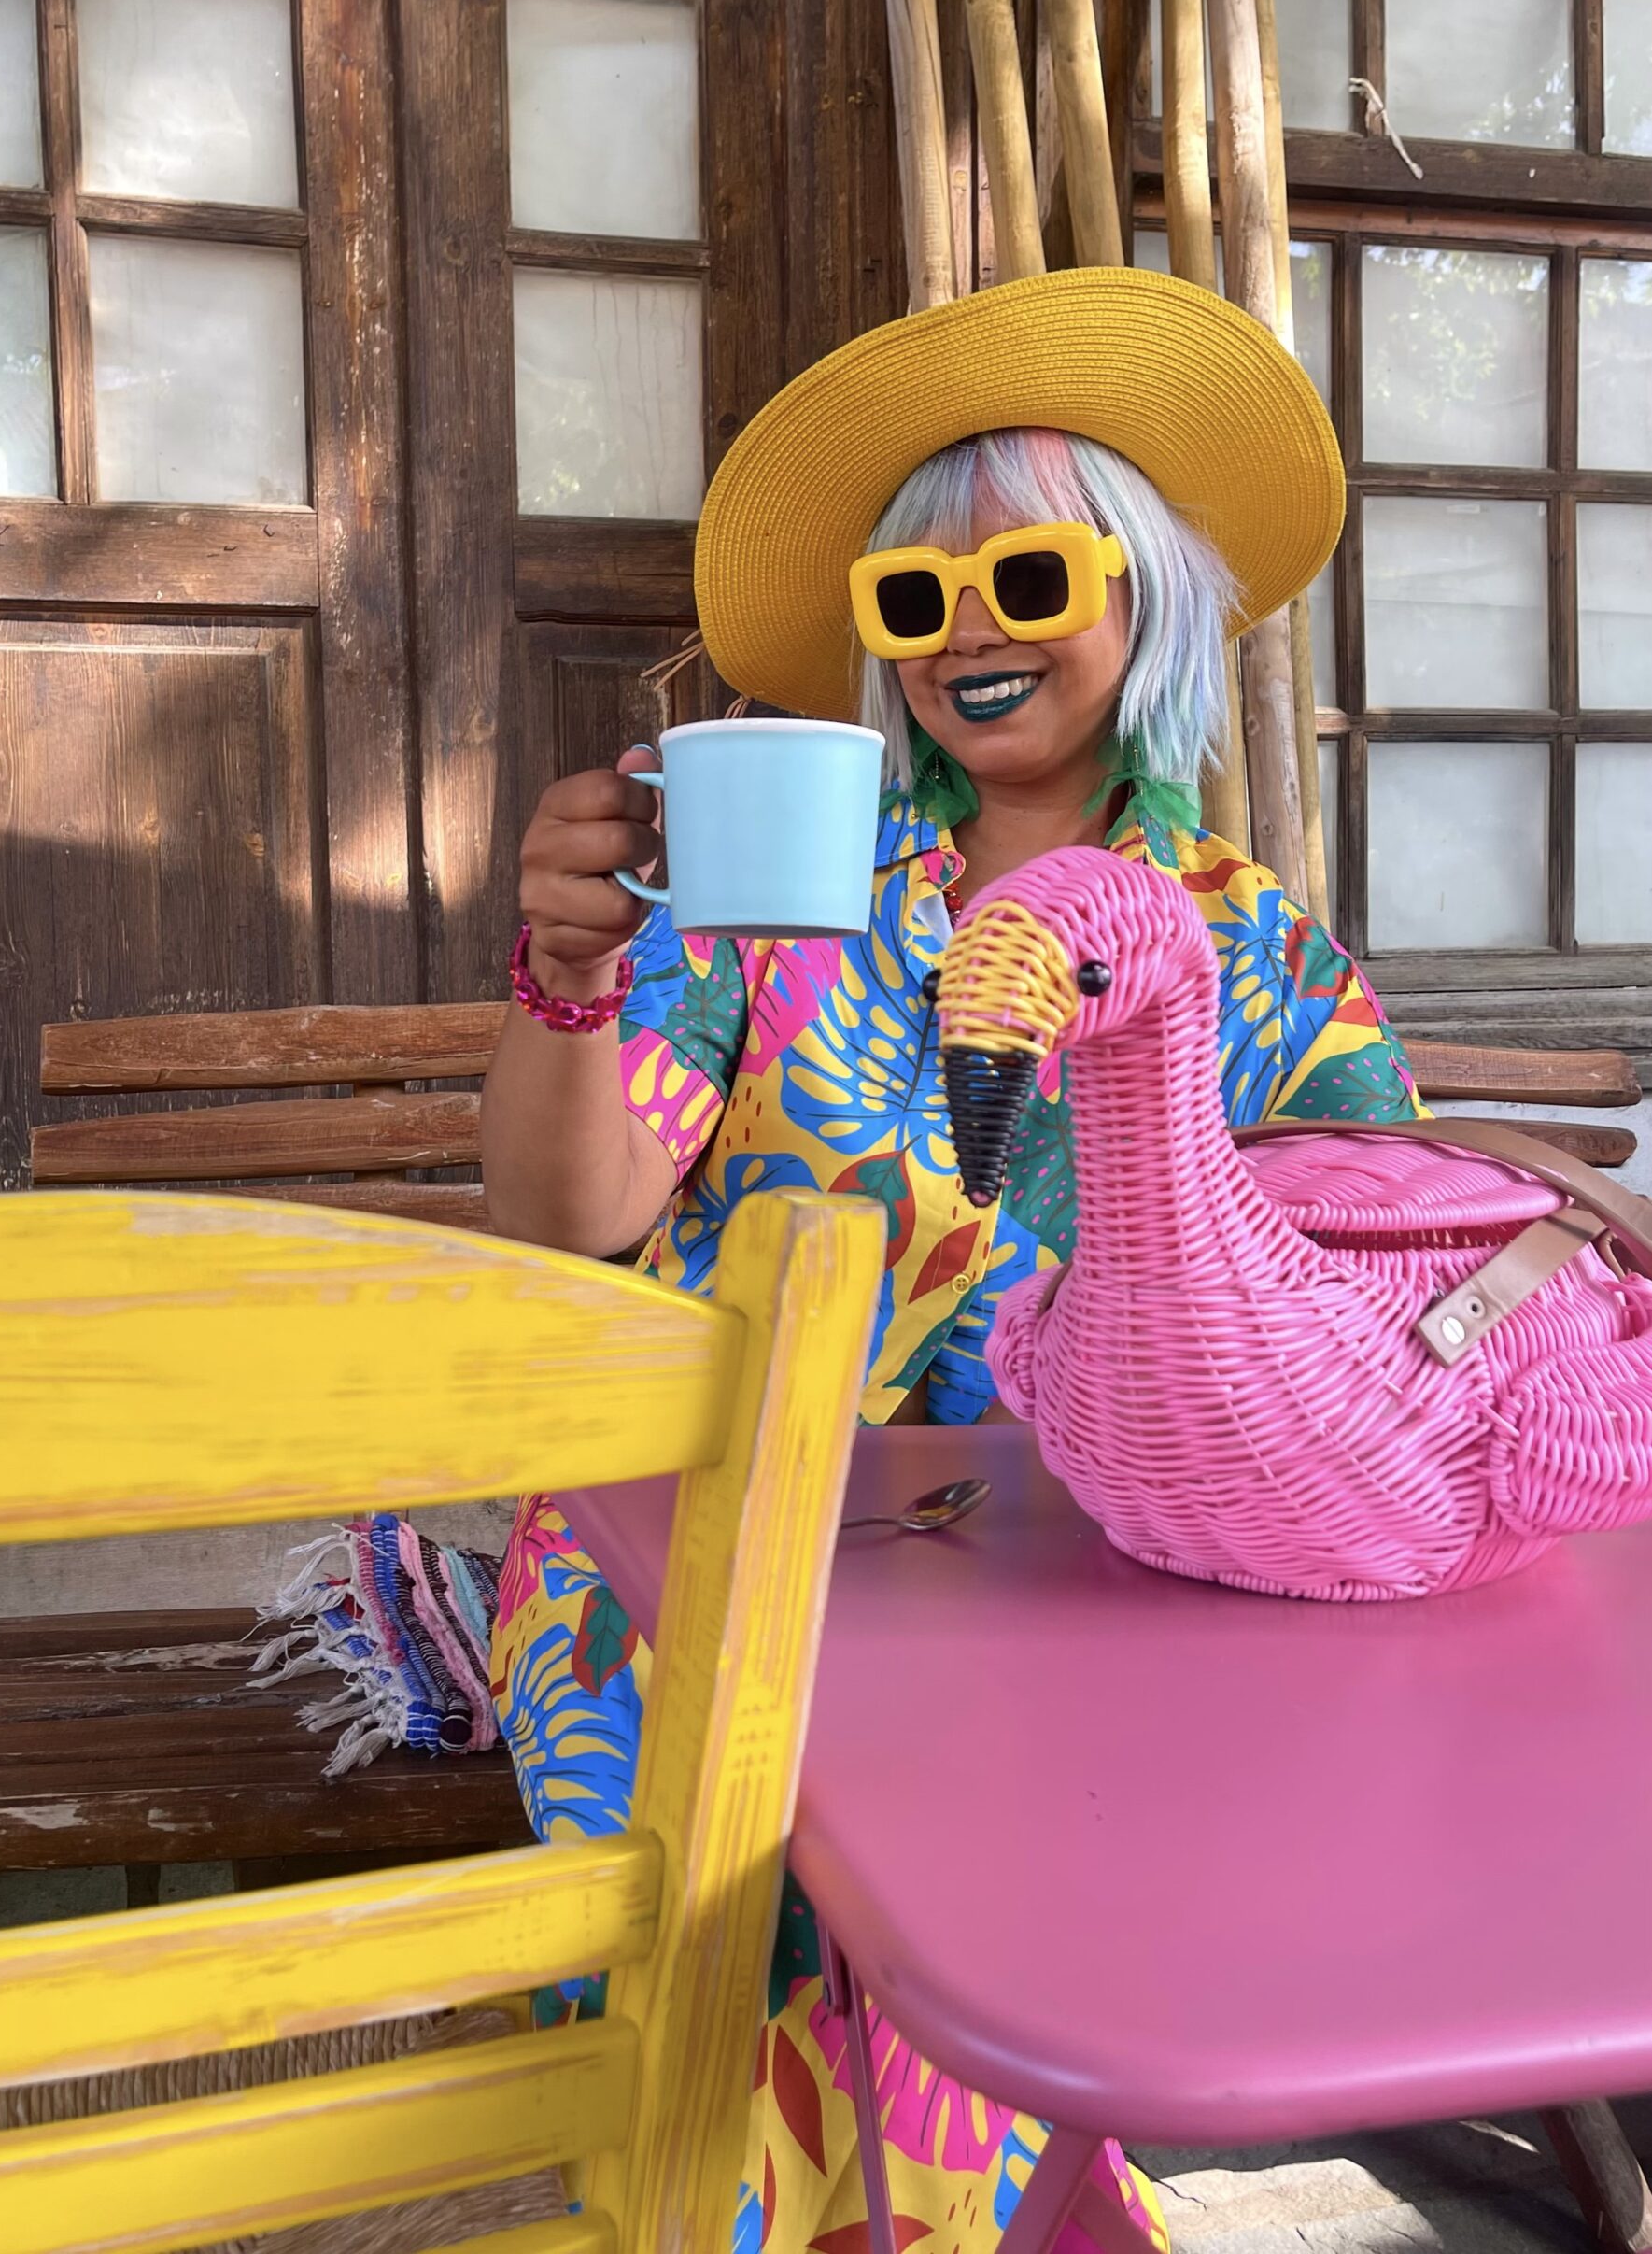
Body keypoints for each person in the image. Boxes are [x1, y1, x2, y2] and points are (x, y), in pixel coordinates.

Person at [479, 268, 1422, 2252]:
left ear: (1141, 592)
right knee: (750, 1910)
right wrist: (569, 977)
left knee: (978, 1905)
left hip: (1091, 1554)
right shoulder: (770, 905)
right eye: (911, 600)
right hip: (706, 1529)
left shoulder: (1257, 951)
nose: (965, 632)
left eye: (1025, 574)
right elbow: (575, 1224)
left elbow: (1373, 1296)